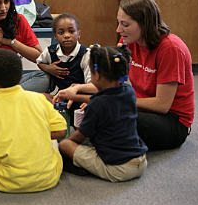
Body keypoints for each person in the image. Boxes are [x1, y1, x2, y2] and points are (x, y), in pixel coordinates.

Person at [54, 0, 194, 151]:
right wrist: (78, 88)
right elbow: (111, 82)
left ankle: (96, 145)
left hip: (171, 121)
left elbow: (162, 105)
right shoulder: (127, 41)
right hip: (134, 103)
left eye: (125, 25)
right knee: (76, 104)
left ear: (145, 24)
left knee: (111, 115)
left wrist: (105, 103)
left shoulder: (170, 49)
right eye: (119, 23)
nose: (118, 29)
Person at [0, 49, 67, 193]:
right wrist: (33, 136)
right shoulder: (39, 99)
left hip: (6, 180)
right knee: (51, 138)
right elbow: (61, 131)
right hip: (48, 177)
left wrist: (0, 145)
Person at [59, 44, 148, 182]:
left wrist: (66, 143)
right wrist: (75, 97)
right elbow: (106, 100)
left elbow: (81, 136)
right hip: (141, 161)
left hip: (119, 169)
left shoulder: (96, 105)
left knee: (65, 146)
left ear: (97, 74)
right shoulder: (129, 91)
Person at [36, 13, 91, 103]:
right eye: (61, 33)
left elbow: (91, 83)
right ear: (55, 36)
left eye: (71, 31)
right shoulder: (51, 51)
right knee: (39, 97)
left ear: (79, 34)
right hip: (61, 96)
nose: (66, 35)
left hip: (80, 97)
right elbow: (39, 62)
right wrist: (48, 68)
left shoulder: (86, 54)